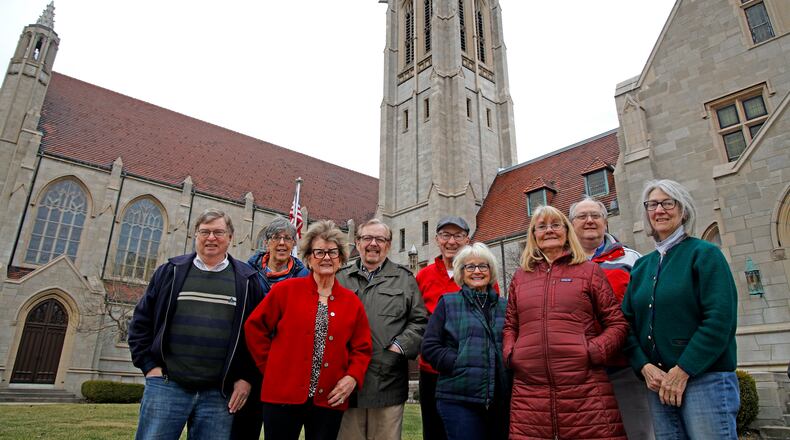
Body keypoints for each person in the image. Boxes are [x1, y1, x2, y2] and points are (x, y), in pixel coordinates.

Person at [128, 209, 265, 440]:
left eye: (218, 232)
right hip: (167, 385)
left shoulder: (247, 281)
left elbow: (258, 336)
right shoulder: (170, 272)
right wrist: (149, 366)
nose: (211, 238)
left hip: (219, 393)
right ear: (195, 235)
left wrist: (246, 378)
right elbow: (141, 322)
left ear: (230, 237)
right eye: (205, 232)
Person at [622, 180, 739, 439]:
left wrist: (684, 369)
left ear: (683, 210)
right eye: (652, 204)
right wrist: (644, 366)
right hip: (657, 384)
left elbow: (720, 320)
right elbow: (626, 324)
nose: (659, 210)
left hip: (705, 380)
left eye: (668, 203)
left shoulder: (704, 254)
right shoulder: (642, 266)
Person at [504, 205, 628, 440]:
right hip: (531, 393)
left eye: (555, 225)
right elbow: (511, 325)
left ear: (567, 231)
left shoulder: (589, 271)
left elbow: (617, 323)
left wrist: (593, 351)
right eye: (541, 226)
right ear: (533, 235)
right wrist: (512, 353)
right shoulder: (520, 277)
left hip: (585, 389)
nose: (549, 230)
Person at [244, 220, 373, 440]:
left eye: (332, 252)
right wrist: (271, 366)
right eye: (319, 252)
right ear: (309, 258)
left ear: (341, 259)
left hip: (329, 398)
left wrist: (352, 377)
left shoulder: (351, 302)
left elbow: (362, 348)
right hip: (282, 396)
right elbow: (255, 328)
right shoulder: (285, 290)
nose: (326, 258)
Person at [569, 197, 654, 440]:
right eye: (582, 216)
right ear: (571, 224)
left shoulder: (631, 259)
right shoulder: (561, 263)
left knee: (638, 432)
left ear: (605, 222)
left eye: (595, 216)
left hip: (625, 368)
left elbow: (648, 309)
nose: (589, 221)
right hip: (579, 372)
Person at [335, 219, 428, 440]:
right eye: (367, 238)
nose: (373, 244)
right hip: (347, 383)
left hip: (388, 382)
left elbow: (419, 321)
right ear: (357, 242)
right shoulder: (340, 278)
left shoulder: (404, 279)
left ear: (388, 245)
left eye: (380, 239)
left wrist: (398, 348)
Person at [421, 242, 510, 440]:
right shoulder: (448, 303)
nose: (477, 271)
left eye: (483, 266)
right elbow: (429, 346)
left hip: (499, 399)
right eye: (470, 267)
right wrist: (457, 362)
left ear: (491, 271)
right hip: (458, 398)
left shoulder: (505, 307)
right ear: (461, 272)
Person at [233, 216, 310, 439]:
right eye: (276, 237)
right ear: (267, 242)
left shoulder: (305, 279)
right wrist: (242, 372)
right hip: (250, 366)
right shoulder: (246, 274)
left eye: (288, 238)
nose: (282, 243)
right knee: (243, 430)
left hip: (285, 370)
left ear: (294, 244)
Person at [415, 215, 470, 440]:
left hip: (466, 369)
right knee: (433, 430)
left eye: (458, 236)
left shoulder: (478, 272)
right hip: (431, 370)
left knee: (466, 430)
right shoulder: (424, 276)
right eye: (446, 235)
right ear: (437, 239)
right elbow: (415, 318)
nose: (451, 241)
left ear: (467, 240)